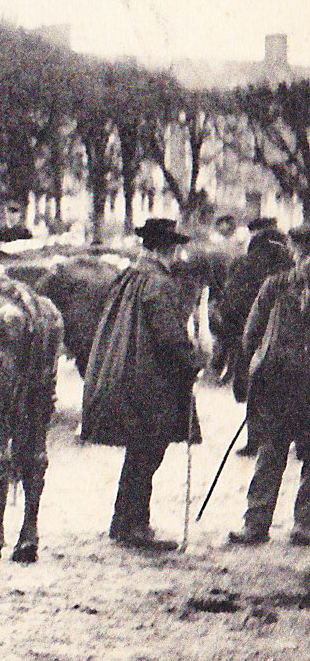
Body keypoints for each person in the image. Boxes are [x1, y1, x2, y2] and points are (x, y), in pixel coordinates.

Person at [81, 218, 204, 551]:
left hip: (130, 374)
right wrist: (192, 362)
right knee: (147, 453)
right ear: (169, 248)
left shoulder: (131, 276)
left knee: (139, 453)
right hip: (151, 382)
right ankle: (134, 525)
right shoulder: (158, 284)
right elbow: (168, 335)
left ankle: (124, 522)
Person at [228, 223, 310, 547]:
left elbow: (250, 335)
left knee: (272, 451)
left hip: (278, 382)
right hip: (285, 383)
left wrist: (249, 369)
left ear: (294, 252)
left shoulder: (276, 285)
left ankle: (259, 524)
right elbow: (250, 334)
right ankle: (295, 525)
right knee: (281, 451)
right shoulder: (274, 286)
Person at [210, 219, 292, 398]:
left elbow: (229, 304)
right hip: (284, 352)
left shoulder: (243, 262)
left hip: (247, 335)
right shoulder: (290, 266)